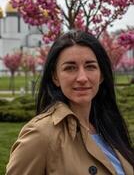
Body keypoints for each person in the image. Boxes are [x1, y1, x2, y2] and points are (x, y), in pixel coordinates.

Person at [6, 29, 134, 175]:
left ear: (101, 75)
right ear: (55, 77)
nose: (82, 78)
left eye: (90, 66)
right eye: (70, 68)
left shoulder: (110, 128)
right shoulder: (41, 135)